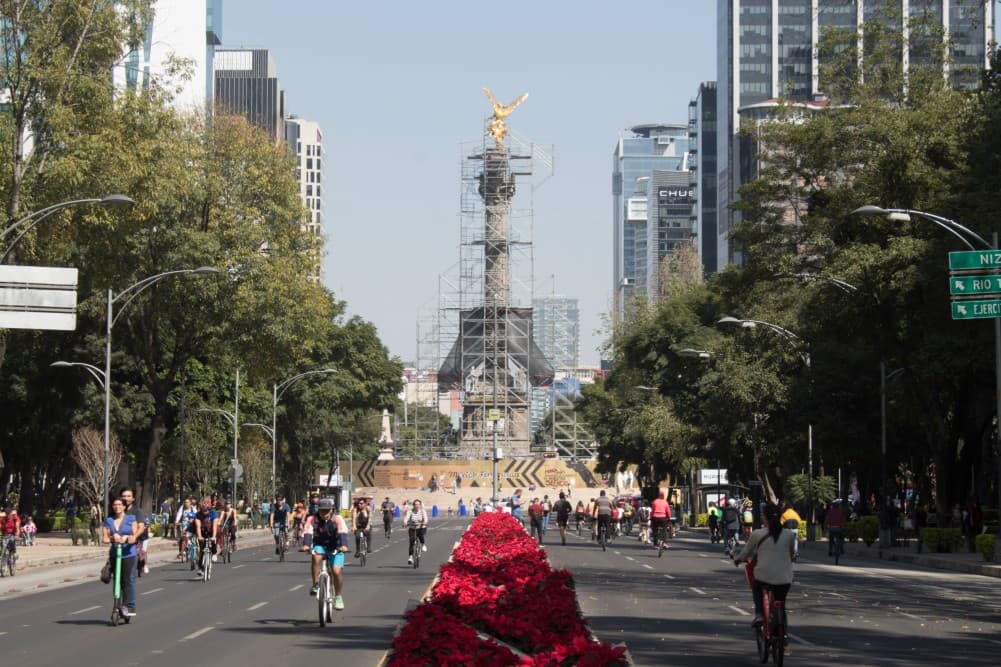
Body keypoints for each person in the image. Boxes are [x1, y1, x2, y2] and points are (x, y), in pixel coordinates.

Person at [733, 503, 795, 630]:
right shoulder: (789, 535)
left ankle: (759, 614)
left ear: (765, 518)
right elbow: (792, 554)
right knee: (781, 602)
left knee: (756, 588)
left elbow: (745, 553)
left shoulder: (757, 534)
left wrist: (737, 560)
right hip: (785, 578)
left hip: (763, 577)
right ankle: (783, 630)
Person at [309, 497, 349, 610]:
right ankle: (315, 584)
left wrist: (343, 545)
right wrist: (306, 545)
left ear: (331, 510)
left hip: (336, 546)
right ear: (318, 510)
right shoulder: (313, 519)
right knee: (315, 557)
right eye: (322, 511)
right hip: (320, 545)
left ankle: (338, 596)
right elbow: (307, 532)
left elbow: (342, 532)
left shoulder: (337, 519)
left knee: (336, 571)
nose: (324, 514)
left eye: (327, 511)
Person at [103, 497, 139, 618]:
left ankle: (128, 606)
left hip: (129, 553)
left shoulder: (131, 519)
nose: (117, 507)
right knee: (117, 580)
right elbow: (105, 538)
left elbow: (134, 535)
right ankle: (116, 605)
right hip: (115, 553)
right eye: (115, 504)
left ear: (124, 506)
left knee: (127, 580)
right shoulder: (109, 520)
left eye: (119, 504)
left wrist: (127, 538)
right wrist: (113, 538)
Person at [120, 488, 147, 582]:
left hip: (132, 545)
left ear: (133, 499)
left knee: (129, 577)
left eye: (128, 496)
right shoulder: (117, 511)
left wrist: (134, 536)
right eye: (124, 496)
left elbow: (141, 527)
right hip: (119, 545)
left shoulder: (137, 511)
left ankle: (141, 562)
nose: (126, 498)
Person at [192, 497, 218, 577]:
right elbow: (198, 527)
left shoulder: (213, 513)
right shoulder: (198, 514)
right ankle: (200, 568)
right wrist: (199, 536)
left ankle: (214, 553)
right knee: (202, 551)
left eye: (206, 504)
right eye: (202, 504)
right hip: (202, 532)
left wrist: (213, 536)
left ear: (209, 505)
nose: (204, 506)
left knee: (213, 542)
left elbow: (215, 526)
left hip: (211, 531)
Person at [404, 499, 428, 565]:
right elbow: (406, 518)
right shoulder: (410, 511)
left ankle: (423, 544)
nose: (417, 506)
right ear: (413, 505)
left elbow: (426, 518)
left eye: (418, 504)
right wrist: (405, 522)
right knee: (411, 542)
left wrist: (425, 522)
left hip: (421, 527)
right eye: (415, 504)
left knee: (421, 535)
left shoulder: (422, 511)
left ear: (420, 505)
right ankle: (410, 557)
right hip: (412, 527)